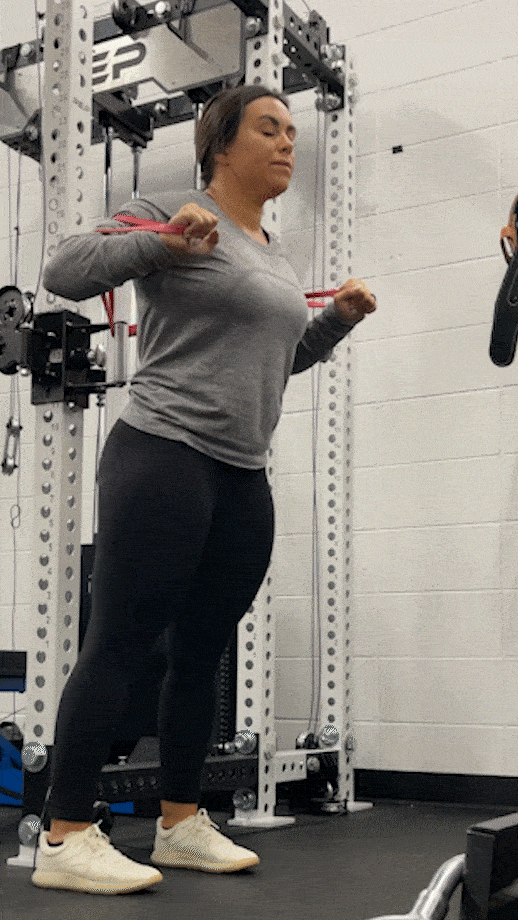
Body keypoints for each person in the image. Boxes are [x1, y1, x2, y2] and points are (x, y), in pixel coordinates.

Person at [32, 84, 376, 895]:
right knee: (123, 641)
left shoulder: (270, 246)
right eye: (270, 128)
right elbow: (63, 269)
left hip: (240, 473)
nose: (289, 142)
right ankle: (65, 832)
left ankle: (181, 822)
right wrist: (160, 245)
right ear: (222, 142)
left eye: (294, 130)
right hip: (163, 454)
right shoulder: (174, 207)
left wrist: (334, 324)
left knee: (201, 654)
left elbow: (274, 362)